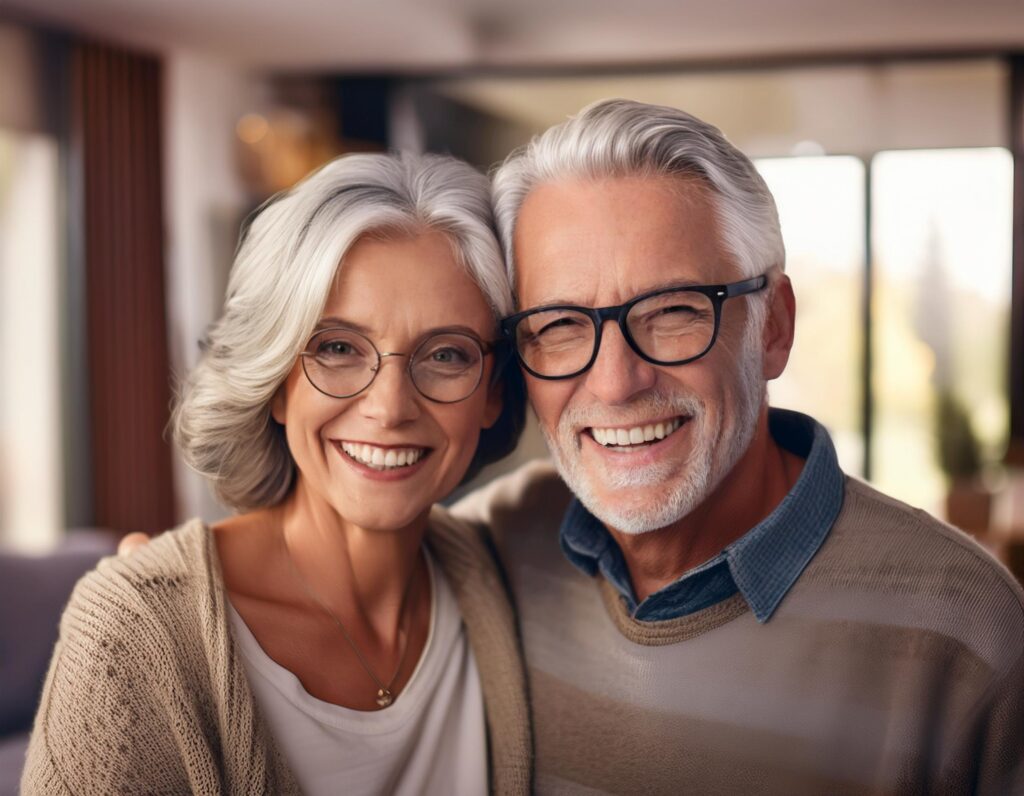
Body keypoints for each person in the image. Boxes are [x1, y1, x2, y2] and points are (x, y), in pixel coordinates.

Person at [447, 99, 1024, 794]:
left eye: (673, 312)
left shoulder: (968, 627)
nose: (616, 381)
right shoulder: (496, 547)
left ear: (773, 327)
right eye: (561, 323)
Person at [22, 152, 532, 795]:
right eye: (338, 348)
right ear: (277, 383)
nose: (390, 408)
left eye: (447, 354)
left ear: (492, 393)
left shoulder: (507, 579)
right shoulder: (133, 637)